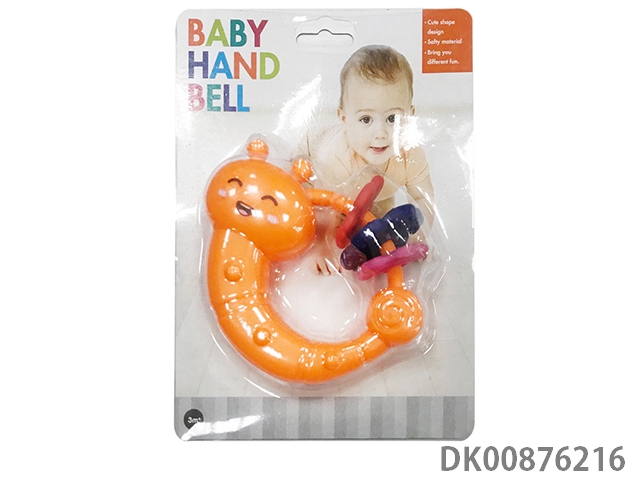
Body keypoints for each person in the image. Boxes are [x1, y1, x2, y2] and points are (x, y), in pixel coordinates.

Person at [302, 44, 434, 221]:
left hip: (375, 187)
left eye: (392, 118)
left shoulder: (410, 156)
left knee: (381, 212)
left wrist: (416, 232)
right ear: (344, 119)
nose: (380, 133)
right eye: (366, 119)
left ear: (410, 116)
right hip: (314, 149)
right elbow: (326, 210)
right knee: (303, 195)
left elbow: (423, 200)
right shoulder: (336, 160)